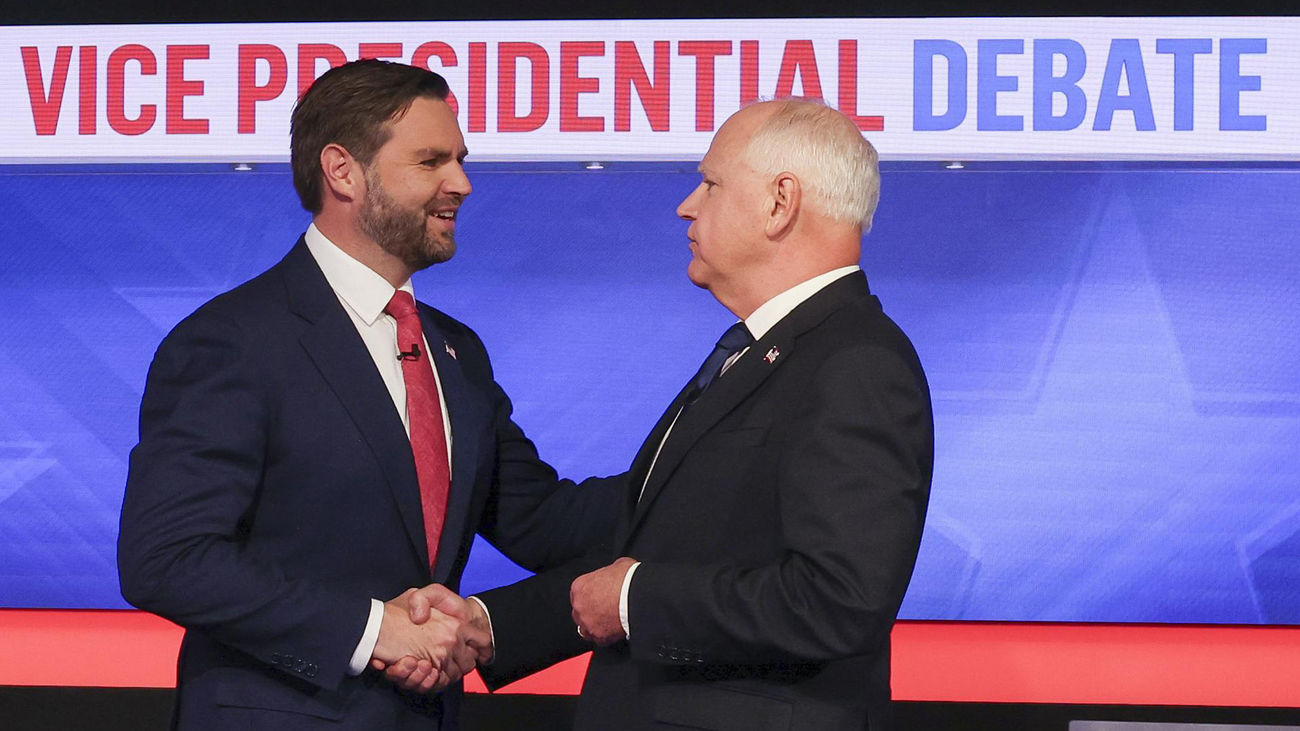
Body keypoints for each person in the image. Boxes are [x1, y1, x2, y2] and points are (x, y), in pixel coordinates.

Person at [117, 59, 619, 730]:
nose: (462, 184)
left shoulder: (456, 351)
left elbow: (545, 521)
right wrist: (372, 628)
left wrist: (696, 469)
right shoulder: (233, 341)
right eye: (432, 161)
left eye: (460, 159)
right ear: (343, 171)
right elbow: (166, 558)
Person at [406, 99, 934, 730]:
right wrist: (494, 626)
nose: (687, 205)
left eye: (710, 184)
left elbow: (836, 602)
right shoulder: (767, 354)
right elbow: (659, 538)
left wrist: (633, 600)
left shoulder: (856, 364)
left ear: (779, 203)